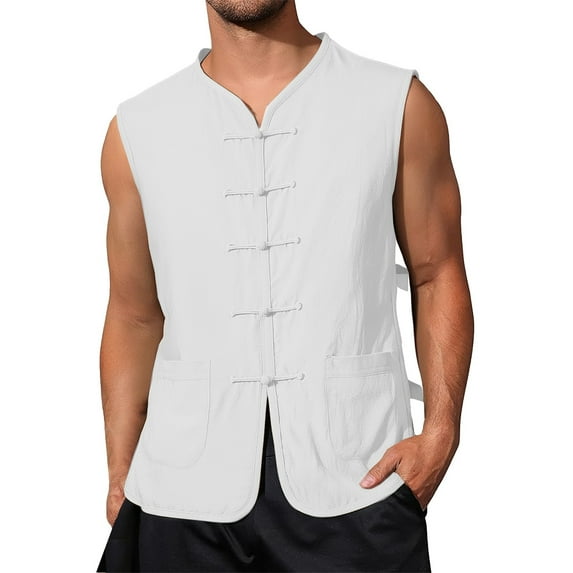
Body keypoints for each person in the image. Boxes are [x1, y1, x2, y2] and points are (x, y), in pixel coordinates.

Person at [96, 1, 473, 571]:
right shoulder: (137, 129)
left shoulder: (395, 103)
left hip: (357, 481)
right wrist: (121, 472)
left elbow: (437, 271)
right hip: (178, 496)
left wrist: (442, 431)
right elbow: (133, 314)